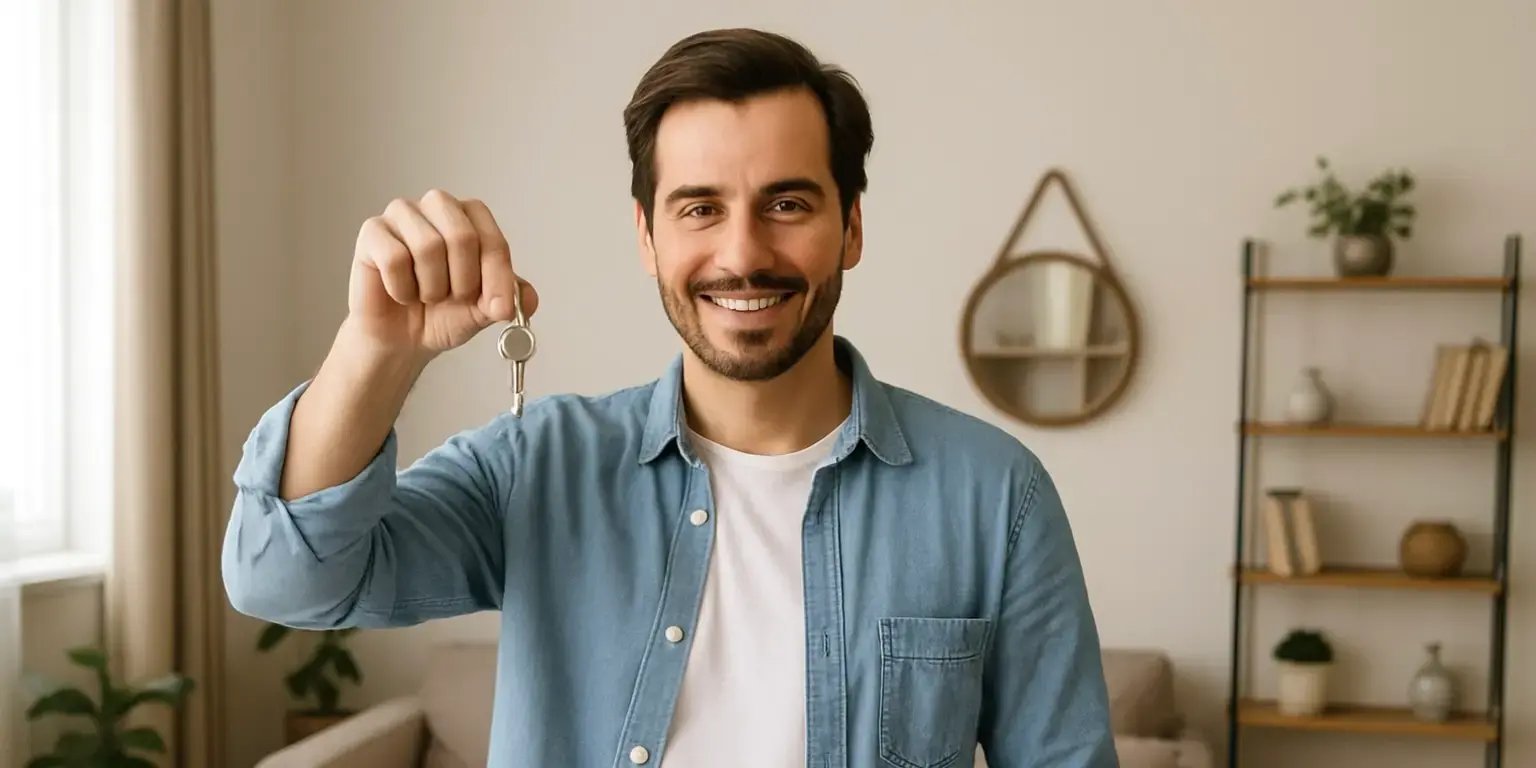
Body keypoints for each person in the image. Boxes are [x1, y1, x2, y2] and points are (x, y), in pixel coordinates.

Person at [222, 27, 1117, 768]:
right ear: (646, 236)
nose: (741, 253)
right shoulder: (539, 466)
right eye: (698, 208)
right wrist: (377, 349)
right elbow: (283, 578)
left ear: (850, 226)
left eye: (788, 203)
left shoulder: (996, 494)